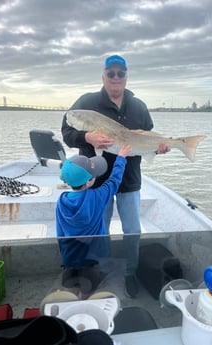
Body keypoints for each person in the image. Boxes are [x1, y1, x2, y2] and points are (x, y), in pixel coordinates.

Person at [61, 54, 170, 298]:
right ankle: (99, 271)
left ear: (126, 76)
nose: (116, 78)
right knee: (100, 229)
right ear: (103, 75)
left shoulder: (138, 106)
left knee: (132, 230)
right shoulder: (87, 103)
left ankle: (130, 272)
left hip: (129, 180)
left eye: (121, 73)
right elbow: (67, 129)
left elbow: (147, 137)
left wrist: (159, 147)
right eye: (111, 73)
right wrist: (86, 138)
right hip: (97, 181)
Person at [56, 144, 131, 299]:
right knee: (87, 292)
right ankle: (84, 306)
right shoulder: (97, 197)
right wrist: (121, 158)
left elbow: (60, 232)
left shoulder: (61, 201)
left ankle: (72, 307)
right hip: (92, 260)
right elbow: (114, 181)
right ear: (89, 181)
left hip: (69, 259)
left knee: (71, 291)